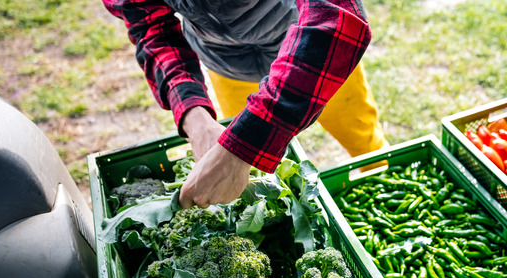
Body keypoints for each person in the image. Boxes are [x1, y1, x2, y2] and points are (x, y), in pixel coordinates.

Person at [102, 0, 385, 208]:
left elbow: (338, 16)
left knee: (359, 131)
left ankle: (380, 184)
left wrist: (244, 145)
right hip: (224, 62)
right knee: (255, 176)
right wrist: (193, 115)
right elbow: (151, 26)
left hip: (311, 45)